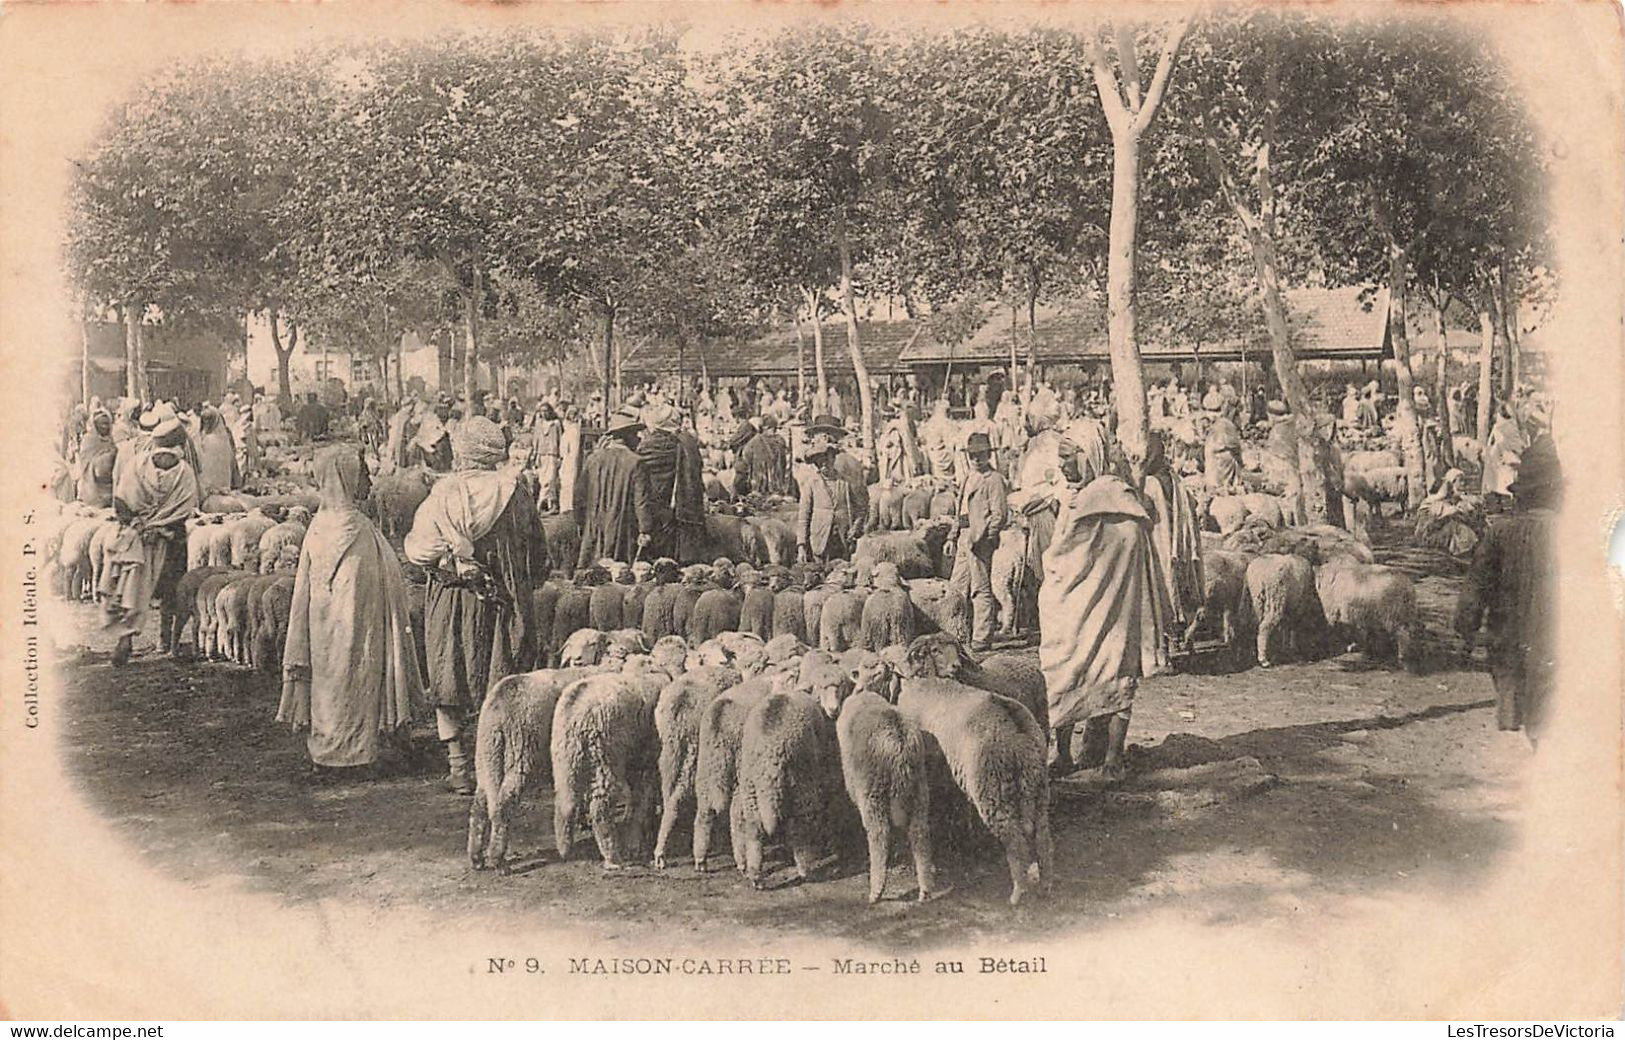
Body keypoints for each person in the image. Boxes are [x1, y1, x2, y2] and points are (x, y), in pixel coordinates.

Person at [404, 416, 547, 794]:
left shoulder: (443, 495)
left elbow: (419, 551)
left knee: (451, 669)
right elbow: (536, 551)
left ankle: (459, 766)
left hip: (454, 598)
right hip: (503, 598)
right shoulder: (514, 491)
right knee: (499, 674)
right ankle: (500, 762)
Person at [278, 445, 424, 776]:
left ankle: (328, 750)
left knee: (329, 677)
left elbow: (303, 592)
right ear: (345, 479)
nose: (369, 483)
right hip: (360, 626)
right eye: (362, 475)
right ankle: (357, 751)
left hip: (322, 627)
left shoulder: (316, 529)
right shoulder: (360, 531)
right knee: (359, 671)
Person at [1040, 425, 1165, 781]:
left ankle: (1099, 757)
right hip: (1090, 609)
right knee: (1094, 671)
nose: (1063, 465)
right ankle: (1088, 756)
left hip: (1108, 610)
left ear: (1089, 455)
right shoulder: (1117, 503)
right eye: (1061, 457)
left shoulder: (1100, 505)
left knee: (1083, 672)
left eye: (1068, 457)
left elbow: (1060, 557)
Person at [1455, 435, 1560, 746]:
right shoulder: (1575, 532)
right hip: (1560, 640)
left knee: (1533, 711)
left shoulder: (1499, 532)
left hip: (1511, 641)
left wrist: (1466, 627)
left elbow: (1476, 585)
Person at [100, 419, 201, 666]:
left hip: (148, 538)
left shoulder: (140, 467)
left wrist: (143, 525)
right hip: (158, 538)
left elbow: (122, 501)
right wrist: (152, 526)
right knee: (159, 589)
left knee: (143, 588)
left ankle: (140, 638)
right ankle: (156, 640)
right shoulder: (180, 472)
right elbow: (186, 507)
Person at [1141, 431, 1204, 661]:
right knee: (1173, 589)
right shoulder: (1173, 478)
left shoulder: (1150, 483)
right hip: (1177, 547)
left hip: (1159, 545)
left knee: (1161, 591)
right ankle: (1180, 641)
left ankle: (1164, 649)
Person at [951, 431, 1009, 651]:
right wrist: (953, 535)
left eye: (981, 454)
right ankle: (959, 631)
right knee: (957, 586)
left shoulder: (993, 480)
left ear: (988, 455)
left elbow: (1000, 514)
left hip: (979, 538)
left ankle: (982, 637)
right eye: (973, 455)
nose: (976, 459)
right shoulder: (968, 477)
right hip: (964, 535)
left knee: (980, 588)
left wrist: (988, 536)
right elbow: (961, 509)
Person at [574, 405, 646, 567]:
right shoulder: (636, 462)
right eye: (635, 434)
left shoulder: (593, 459)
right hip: (623, 529)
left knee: (591, 572)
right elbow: (641, 502)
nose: (638, 439)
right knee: (619, 572)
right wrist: (645, 529)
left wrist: (580, 522)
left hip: (594, 526)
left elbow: (579, 496)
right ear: (626, 436)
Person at [636, 403, 707, 562]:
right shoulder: (687, 443)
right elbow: (697, 469)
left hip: (653, 505)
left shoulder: (646, 445)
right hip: (681, 504)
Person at [797, 434, 860, 564]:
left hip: (843, 539)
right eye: (819, 461)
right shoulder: (811, 484)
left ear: (833, 458)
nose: (824, 464)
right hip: (820, 539)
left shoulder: (845, 482)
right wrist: (801, 546)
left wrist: (855, 527)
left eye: (827, 459)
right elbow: (803, 516)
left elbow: (861, 509)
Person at [737, 414, 790, 498]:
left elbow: (746, 458)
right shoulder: (780, 441)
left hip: (758, 485)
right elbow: (785, 462)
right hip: (778, 485)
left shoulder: (754, 441)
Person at [74, 407, 118, 508]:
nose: (105, 427)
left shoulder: (111, 440)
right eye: (102, 424)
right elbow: (87, 463)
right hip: (92, 489)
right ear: (95, 425)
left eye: (107, 424)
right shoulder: (88, 440)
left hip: (109, 488)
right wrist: (107, 457)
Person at [1482, 403, 1527, 501]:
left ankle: (1497, 496)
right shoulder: (1511, 425)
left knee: (1496, 475)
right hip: (1507, 455)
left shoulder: (1500, 426)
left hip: (1501, 455)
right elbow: (1517, 442)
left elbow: (1491, 441)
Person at [195, 404, 240, 495]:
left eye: (208, 420)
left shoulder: (220, 439)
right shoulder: (201, 437)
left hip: (216, 485)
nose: (206, 423)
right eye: (204, 420)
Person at [1203, 399, 1245, 490]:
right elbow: (1235, 446)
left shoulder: (1219, 423)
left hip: (1212, 460)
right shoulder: (1227, 425)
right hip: (1220, 463)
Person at [531, 403, 563, 512]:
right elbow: (536, 440)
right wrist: (535, 455)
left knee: (549, 480)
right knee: (543, 480)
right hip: (541, 455)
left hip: (552, 455)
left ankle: (539, 504)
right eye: (541, 411)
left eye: (546, 410)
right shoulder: (539, 424)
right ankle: (552, 505)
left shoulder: (556, 424)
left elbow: (560, 441)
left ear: (550, 411)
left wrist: (560, 456)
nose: (544, 413)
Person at [411, 395, 454, 472]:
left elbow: (436, 435)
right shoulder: (427, 419)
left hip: (439, 447)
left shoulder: (430, 418)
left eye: (420, 413)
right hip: (437, 445)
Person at [558, 402, 583, 514]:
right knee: (565, 482)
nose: (572, 417)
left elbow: (575, 450)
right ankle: (565, 506)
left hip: (572, 459)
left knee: (571, 482)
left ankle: (569, 506)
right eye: (570, 414)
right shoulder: (567, 428)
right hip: (566, 459)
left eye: (574, 414)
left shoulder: (575, 430)